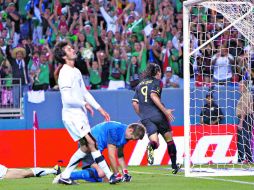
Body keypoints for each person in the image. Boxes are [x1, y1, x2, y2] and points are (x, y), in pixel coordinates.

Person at [53, 41, 117, 185]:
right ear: (64, 56)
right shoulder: (64, 73)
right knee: (92, 142)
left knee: (86, 147)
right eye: (69, 49)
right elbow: (67, 99)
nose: (73, 50)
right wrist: (84, 104)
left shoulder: (75, 71)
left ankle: (65, 175)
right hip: (72, 116)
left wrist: (99, 109)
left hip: (80, 115)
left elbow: (84, 93)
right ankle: (110, 175)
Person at [132, 63, 181, 174]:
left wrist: (142, 116)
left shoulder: (140, 85)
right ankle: (174, 166)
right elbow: (153, 96)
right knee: (169, 140)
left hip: (146, 118)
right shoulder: (157, 82)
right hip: (158, 115)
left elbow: (134, 103)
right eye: (160, 72)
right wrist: (165, 111)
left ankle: (151, 146)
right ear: (157, 72)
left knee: (155, 142)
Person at [70, 121, 146, 183]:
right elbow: (111, 155)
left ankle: (73, 174)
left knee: (105, 178)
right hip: (88, 145)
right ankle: (65, 175)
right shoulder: (116, 130)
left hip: (95, 148)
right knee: (102, 173)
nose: (132, 140)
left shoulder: (126, 135)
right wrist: (117, 174)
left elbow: (120, 155)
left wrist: (125, 173)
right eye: (133, 138)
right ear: (130, 130)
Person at [236, 80, 253, 163]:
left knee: (241, 139)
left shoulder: (246, 95)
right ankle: (249, 159)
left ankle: (240, 158)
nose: (239, 87)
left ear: (245, 86)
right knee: (246, 140)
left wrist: (241, 122)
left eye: (241, 86)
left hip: (245, 118)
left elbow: (244, 109)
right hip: (249, 118)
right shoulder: (248, 95)